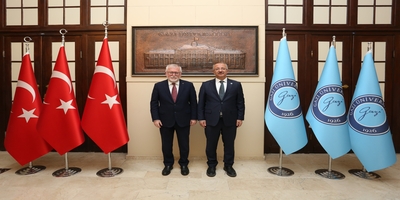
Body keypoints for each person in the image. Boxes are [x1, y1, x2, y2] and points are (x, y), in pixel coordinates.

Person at [198, 62, 245, 177]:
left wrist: (240, 117)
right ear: (213, 71)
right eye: (217, 69)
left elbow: (240, 102)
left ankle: (228, 165)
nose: (220, 70)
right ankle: (211, 165)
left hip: (230, 120)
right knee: (211, 144)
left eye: (222, 68)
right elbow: (201, 103)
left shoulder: (236, 85)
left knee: (229, 144)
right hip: (210, 120)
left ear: (227, 71)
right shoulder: (206, 85)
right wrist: (201, 118)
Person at [150, 64, 197, 176]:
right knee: (166, 144)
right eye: (171, 72)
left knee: (184, 144)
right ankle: (168, 164)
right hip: (165, 120)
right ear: (166, 73)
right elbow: (154, 103)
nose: (173, 74)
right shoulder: (159, 86)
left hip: (184, 120)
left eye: (176, 73)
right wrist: (156, 118)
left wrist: (194, 117)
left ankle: (184, 164)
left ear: (180, 74)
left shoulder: (189, 85)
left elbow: (194, 103)